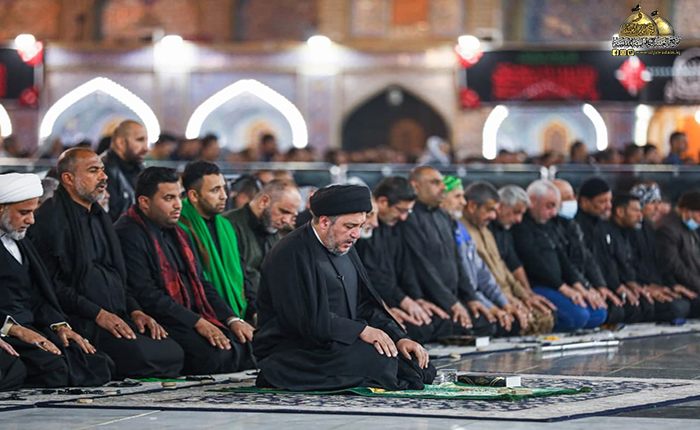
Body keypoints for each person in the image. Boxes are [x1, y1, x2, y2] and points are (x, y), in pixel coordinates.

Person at [254, 184, 434, 391]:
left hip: (338, 342)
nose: (356, 234)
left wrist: (399, 337)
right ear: (324, 222)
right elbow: (302, 320)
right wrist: (361, 331)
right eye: (350, 226)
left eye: (360, 226)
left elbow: (364, 305)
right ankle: (279, 374)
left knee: (415, 363)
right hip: (297, 350)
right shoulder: (291, 253)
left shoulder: (344, 247)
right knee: (381, 362)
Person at [29, 150, 183, 379]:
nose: (104, 176)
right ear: (68, 179)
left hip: (117, 314)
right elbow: (51, 285)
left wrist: (135, 310)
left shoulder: (100, 216)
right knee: (144, 357)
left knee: (174, 351)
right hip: (80, 318)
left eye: (102, 170)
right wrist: (98, 314)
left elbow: (117, 275)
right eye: (94, 171)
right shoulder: (48, 221)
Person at [115, 167, 256, 375]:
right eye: (169, 198)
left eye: (179, 197)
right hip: (162, 318)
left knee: (247, 342)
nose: (178, 204)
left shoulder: (179, 233)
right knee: (214, 355)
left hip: (191, 314)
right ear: (144, 202)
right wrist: (197, 322)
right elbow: (147, 294)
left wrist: (232, 319)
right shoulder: (128, 233)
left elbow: (202, 282)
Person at [0, 173, 113, 387]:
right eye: (24, 213)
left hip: (32, 325)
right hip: (7, 331)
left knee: (95, 362)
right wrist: (13, 329)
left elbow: (37, 295)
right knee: (53, 369)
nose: (31, 220)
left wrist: (59, 326)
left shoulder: (21, 240)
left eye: (32, 212)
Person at [355, 177, 468, 344]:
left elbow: (406, 269)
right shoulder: (365, 234)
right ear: (383, 202)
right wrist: (392, 306)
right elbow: (372, 279)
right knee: (415, 329)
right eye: (400, 210)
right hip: (374, 306)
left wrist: (417, 299)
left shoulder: (394, 227)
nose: (403, 218)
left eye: (407, 212)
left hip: (392, 300)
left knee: (441, 321)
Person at [400, 166, 492, 334]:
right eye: (435, 183)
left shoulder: (443, 216)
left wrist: (471, 298)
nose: (443, 187)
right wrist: (451, 302)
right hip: (428, 298)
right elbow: (422, 267)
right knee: (446, 326)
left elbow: (458, 261)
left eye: (442, 183)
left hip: (453, 297)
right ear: (416, 186)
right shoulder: (408, 218)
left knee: (487, 322)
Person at [512, 180, 607, 331]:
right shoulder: (520, 226)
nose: (553, 213)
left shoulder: (549, 224)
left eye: (555, 207)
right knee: (579, 316)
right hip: (539, 285)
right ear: (533, 201)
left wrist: (580, 286)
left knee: (599, 313)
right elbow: (534, 263)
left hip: (558, 284)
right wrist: (563, 288)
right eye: (549, 206)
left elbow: (563, 259)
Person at [462, 182, 556, 335]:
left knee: (547, 315)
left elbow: (502, 267)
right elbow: (478, 281)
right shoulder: (462, 232)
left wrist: (524, 294)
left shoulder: (485, 229)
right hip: (487, 298)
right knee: (516, 322)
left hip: (503, 295)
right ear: (472, 206)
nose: (494, 215)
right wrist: (505, 303)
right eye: (490, 210)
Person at [179, 161, 255, 343]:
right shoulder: (182, 227)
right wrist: (231, 319)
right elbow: (199, 282)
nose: (224, 196)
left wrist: (254, 311)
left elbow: (242, 275)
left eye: (224, 188)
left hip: (236, 312)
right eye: (215, 190)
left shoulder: (226, 226)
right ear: (194, 195)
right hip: (206, 314)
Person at [441, 176, 523, 335]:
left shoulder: (459, 228)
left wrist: (505, 304)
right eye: (457, 197)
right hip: (458, 299)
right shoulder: (449, 230)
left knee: (513, 320)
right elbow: (464, 284)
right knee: (491, 323)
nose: (463, 202)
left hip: (475, 297)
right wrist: (491, 307)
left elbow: (483, 274)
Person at [575, 177, 656, 323]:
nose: (608, 206)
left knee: (641, 305)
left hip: (606, 283)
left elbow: (609, 260)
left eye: (609, 201)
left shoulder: (601, 225)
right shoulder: (576, 226)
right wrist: (601, 287)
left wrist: (627, 284)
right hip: (585, 285)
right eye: (602, 202)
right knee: (617, 310)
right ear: (584, 202)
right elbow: (583, 263)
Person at [550, 180, 628, 326]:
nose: (608, 206)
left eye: (572, 197)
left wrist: (601, 286)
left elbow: (588, 259)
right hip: (562, 285)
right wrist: (584, 287)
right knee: (590, 313)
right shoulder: (551, 228)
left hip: (582, 283)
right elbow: (562, 266)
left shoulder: (575, 225)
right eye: (602, 201)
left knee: (618, 308)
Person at [223, 179, 301, 321]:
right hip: (241, 313)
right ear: (264, 201)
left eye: (292, 215)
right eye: (283, 211)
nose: (287, 220)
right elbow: (235, 278)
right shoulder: (228, 225)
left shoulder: (272, 228)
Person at [608, 194, 691, 322]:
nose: (639, 215)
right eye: (652, 203)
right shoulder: (618, 232)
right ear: (620, 212)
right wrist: (642, 286)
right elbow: (613, 267)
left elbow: (657, 265)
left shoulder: (645, 230)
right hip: (622, 288)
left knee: (683, 303)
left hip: (644, 285)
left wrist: (670, 285)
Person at [655, 190, 700, 316]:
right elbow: (674, 266)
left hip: (693, 284)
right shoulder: (668, 230)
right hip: (678, 285)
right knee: (679, 307)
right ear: (686, 211)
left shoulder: (690, 230)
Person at [102, 120, 149, 221]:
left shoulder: (140, 169)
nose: (146, 148)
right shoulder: (102, 171)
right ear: (121, 143)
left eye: (146, 141)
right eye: (140, 140)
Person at [490, 186, 531, 292]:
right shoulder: (486, 229)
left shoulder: (505, 228)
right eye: (516, 212)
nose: (519, 220)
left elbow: (514, 263)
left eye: (522, 214)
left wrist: (528, 292)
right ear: (500, 206)